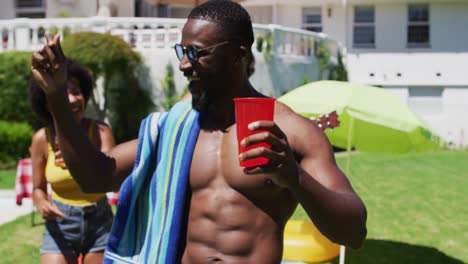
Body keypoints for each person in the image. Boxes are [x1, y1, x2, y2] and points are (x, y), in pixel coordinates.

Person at [31, 1, 367, 263]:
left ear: (238, 55)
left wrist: (294, 178)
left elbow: (354, 232)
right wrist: (57, 97)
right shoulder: (175, 130)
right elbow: (95, 177)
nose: (183, 64)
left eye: (196, 53)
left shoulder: (291, 132)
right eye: (182, 51)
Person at [29, 59, 116, 264]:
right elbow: (38, 188)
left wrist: (78, 157)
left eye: (76, 91)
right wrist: (41, 203)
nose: (71, 99)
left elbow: (110, 177)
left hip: (100, 222)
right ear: (47, 102)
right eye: (61, 94)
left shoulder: (101, 132)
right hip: (60, 224)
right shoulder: (42, 139)